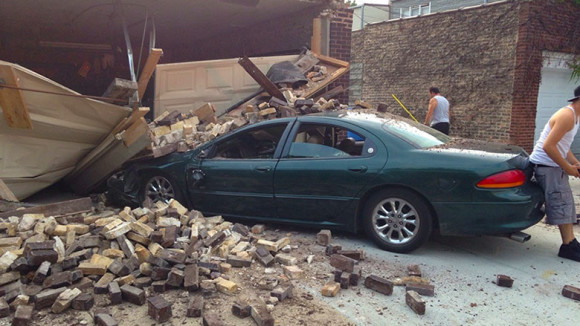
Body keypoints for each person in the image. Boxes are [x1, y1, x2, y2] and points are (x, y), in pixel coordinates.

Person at [529, 85, 580, 262]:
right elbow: (548, 146)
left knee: (565, 203)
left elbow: (562, 146)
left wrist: (574, 162)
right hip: (546, 166)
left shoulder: (575, 116)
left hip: (552, 166)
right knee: (560, 204)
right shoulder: (567, 115)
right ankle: (568, 246)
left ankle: (571, 242)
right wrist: (567, 167)